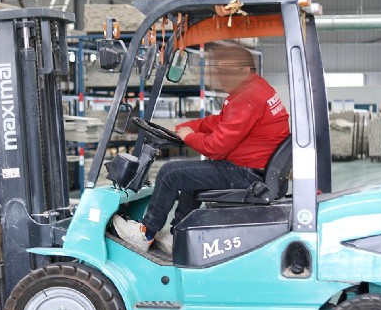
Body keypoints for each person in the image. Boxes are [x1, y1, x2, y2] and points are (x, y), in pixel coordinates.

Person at [113, 41, 290, 254]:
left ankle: (146, 233)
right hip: (254, 169)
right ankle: (177, 235)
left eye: (226, 71)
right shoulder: (255, 89)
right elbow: (218, 122)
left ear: (244, 70)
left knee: (170, 173)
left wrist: (190, 137)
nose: (221, 77)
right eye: (219, 71)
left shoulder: (247, 98)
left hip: (246, 174)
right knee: (189, 175)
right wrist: (183, 128)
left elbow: (216, 148)